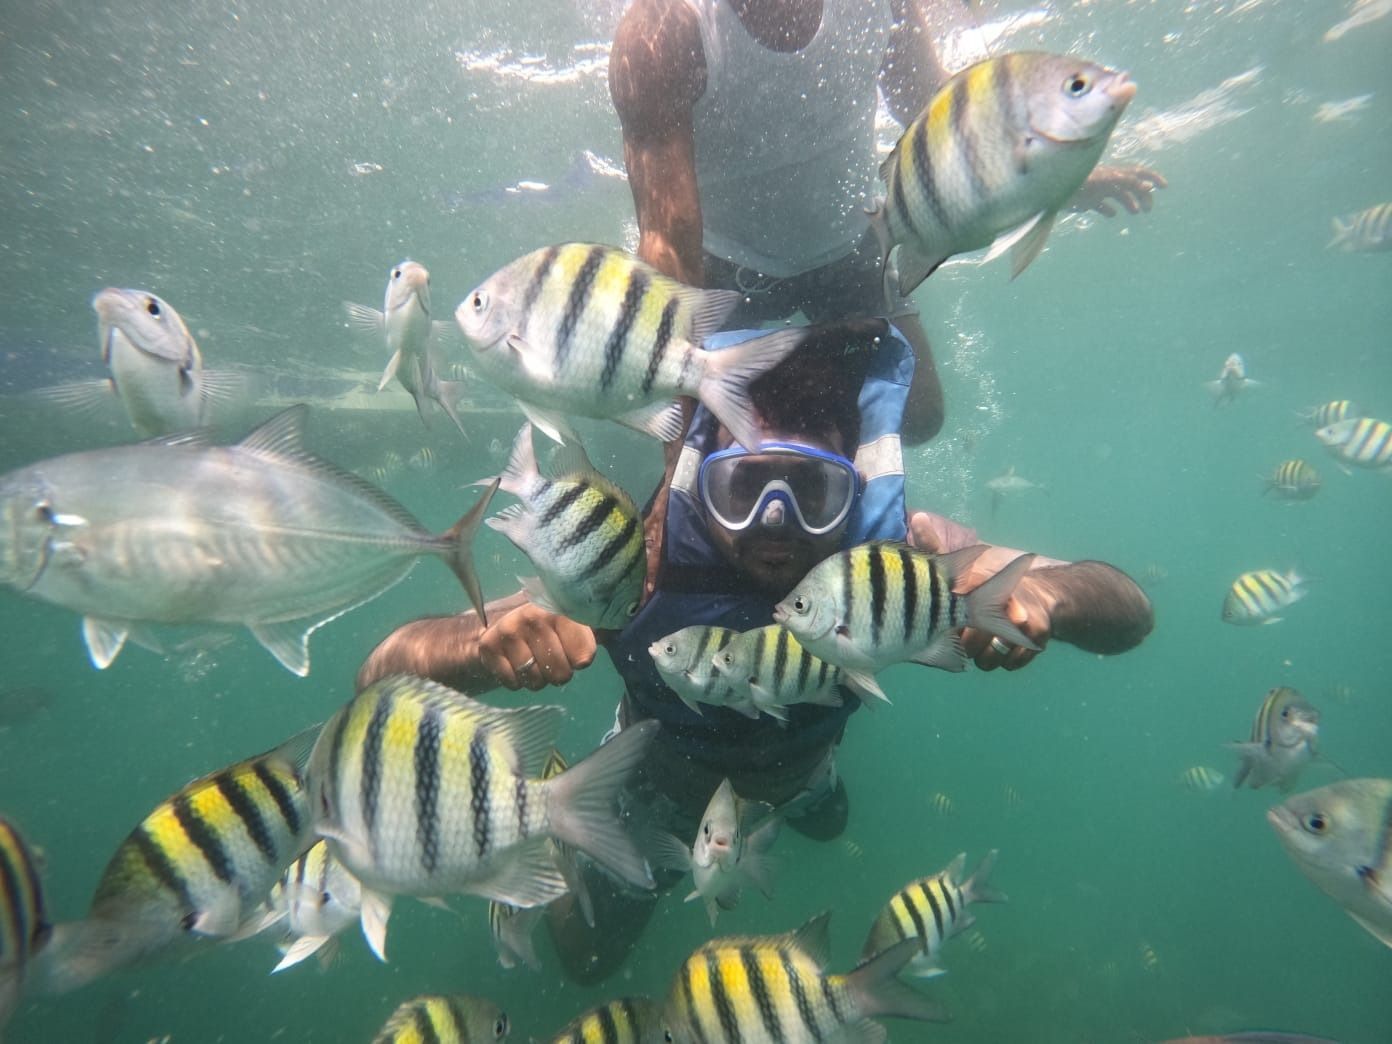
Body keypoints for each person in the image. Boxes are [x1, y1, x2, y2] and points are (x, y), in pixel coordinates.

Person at [355, 319, 1154, 983]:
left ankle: (812, 795)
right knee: (584, 959)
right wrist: (479, 647)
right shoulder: (638, 560)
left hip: (800, 770)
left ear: (855, 493)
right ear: (704, 483)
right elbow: (382, 668)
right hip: (657, 792)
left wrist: (1051, 595)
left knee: (826, 817)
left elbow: (1130, 609)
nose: (775, 526)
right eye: (745, 489)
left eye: (813, 495)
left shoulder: (898, 568)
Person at [608, 0, 1167, 585]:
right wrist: (674, 467)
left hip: (849, 247)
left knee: (922, 414)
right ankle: (710, 503)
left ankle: (823, 515)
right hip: (724, 265)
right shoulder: (663, 28)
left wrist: (1053, 168)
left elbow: (941, 110)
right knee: (687, 440)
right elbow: (666, 238)